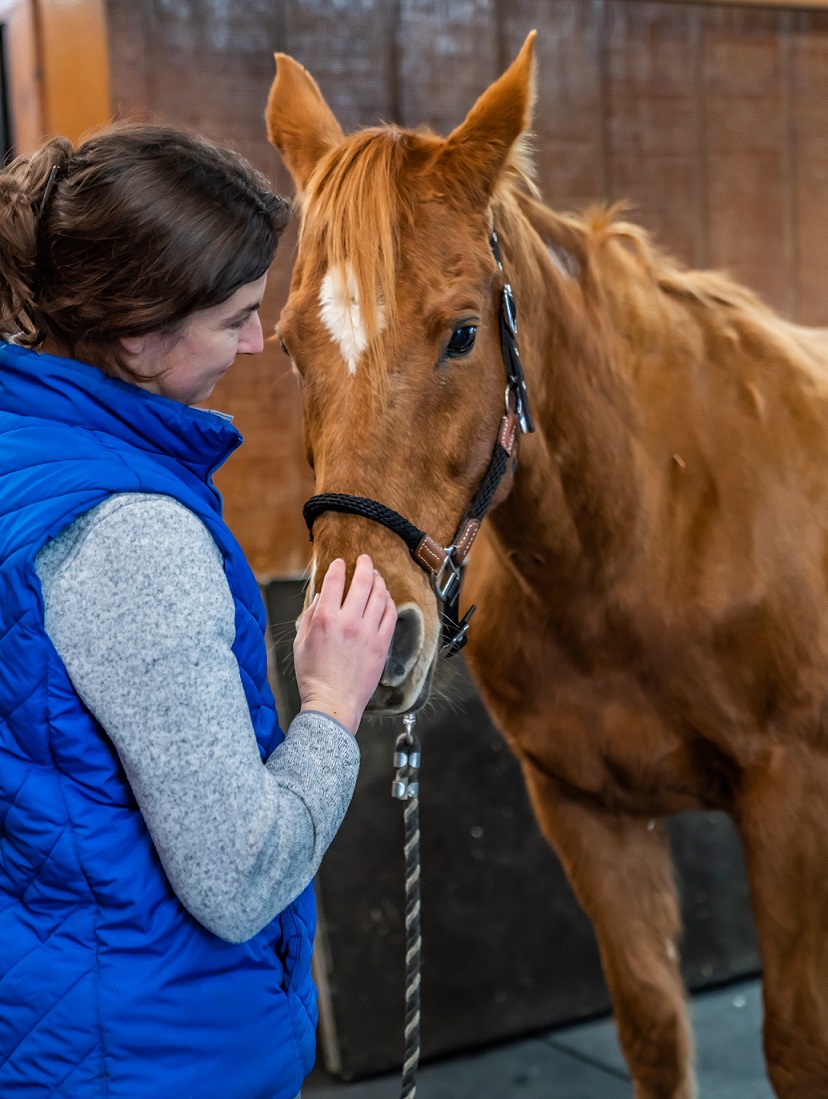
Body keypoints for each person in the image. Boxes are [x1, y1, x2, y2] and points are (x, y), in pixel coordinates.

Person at [0, 123, 396, 1098]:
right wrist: (334, 703)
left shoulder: (21, 452)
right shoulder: (133, 534)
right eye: (234, 318)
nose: (259, 342)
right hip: (152, 1056)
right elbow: (240, 875)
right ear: (137, 332)